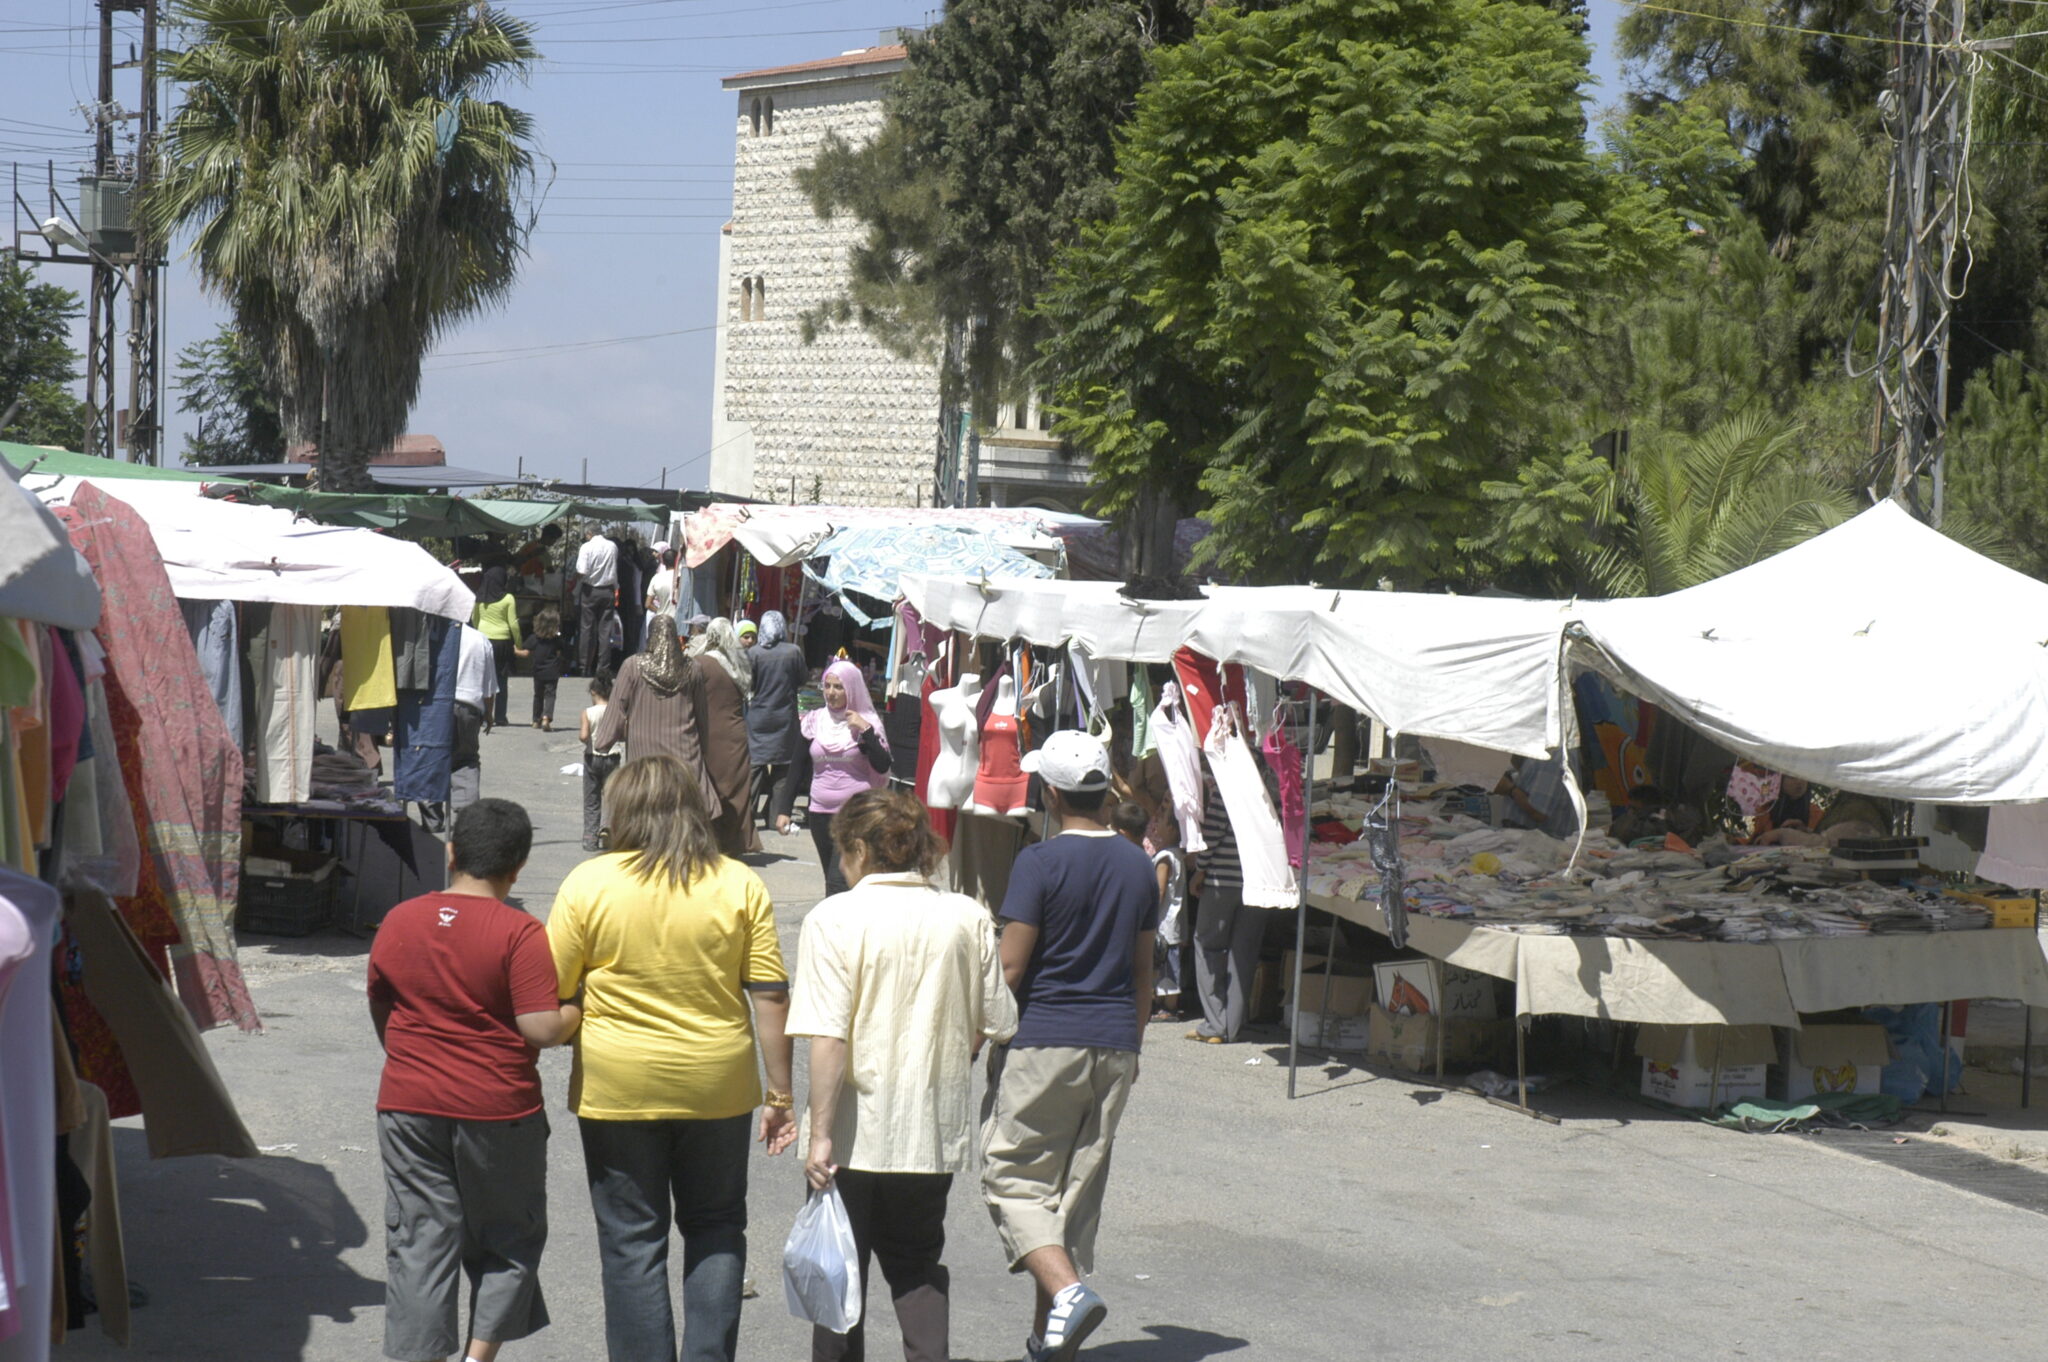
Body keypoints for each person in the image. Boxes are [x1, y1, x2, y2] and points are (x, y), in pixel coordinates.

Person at [546, 756, 797, 1362]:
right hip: (718, 1085)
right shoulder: (738, 882)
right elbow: (770, 995)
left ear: (621, 811)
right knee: (715, 1228)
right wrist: (781, 1096)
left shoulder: (590, 883)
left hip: (616, 1085)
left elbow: (551, 989)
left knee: (632, 1241)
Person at [787, 790, 1019, 1362]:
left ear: (860, 850)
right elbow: (997, 1019)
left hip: (849, 1130)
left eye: (844, 850)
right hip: (929, 1129)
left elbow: (829, 1035)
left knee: (840, 1270)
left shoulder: (834, 917)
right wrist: (950, 1051)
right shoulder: (966, 916)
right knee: (916, 1267)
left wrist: (818, 1135)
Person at [366, 798, 575, 1362]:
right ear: (519, 867)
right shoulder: (520, 932)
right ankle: (478, 1358)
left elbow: (383, 1009)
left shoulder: (400, 919)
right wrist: (576, 1012)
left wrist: (411, 1059)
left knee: (419, 1240)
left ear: (452, 852)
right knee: (508, 1239)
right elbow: (540, 1028)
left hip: (408, 1103)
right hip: (498, 1108)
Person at [983, 731, 1158, 1362]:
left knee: (1013, 1180)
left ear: (1050, 793)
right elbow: (1144, 974)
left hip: (1046, 1040)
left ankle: (1068, 1293)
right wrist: (1133, 1046)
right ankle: (1050, 1342)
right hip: (1114, 1044)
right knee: (1070, 1196)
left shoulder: (1039, 861)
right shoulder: (1139, 863)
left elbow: (1009, 969)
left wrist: (974, 1036)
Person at [590, 614, 721, 819]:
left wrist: (603, 741)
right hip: (685, 752)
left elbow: (617, 707)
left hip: (645, 751)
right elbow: (701, 715)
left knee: (647, 804)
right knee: (684, 808)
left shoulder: (633, 666)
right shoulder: (692, 669)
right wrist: (704, 748)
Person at [795, 659, 890, 897]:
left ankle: (834, 930)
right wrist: (783, 808)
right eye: (827, 686)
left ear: (852, 688)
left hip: (854, 814)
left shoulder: (865, 722)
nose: (831, 693)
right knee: (833, 877)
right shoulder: (815, 720)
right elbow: (798, 764)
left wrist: (866, 730)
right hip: (819, 812)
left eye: (838, 687)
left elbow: (883, 764)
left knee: (838, 881)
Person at [1187, 774, 1267, 1044]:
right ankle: (1231, 1026)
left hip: (1224, 878)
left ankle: (1215, 1023)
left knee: (1208, 946)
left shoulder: (1231, 781)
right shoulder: (1274, 786)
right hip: (1261, 881)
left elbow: (1213, 833)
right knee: (1243, 953)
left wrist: (1200, 870)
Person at [688, 618, 760, 857]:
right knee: (735, 791)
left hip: (711, 736)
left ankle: (710, 844)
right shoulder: (739, 664)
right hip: (736, 735)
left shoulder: (700, 663)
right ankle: (735, 845)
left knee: (711, 790)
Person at [1113, 802, 1185, 1022]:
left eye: (1162, 823)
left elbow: (1160, 889)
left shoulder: (1164, 858)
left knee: (1167, 966)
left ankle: (1169, 1007)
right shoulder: (1177, 854)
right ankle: (1163, 1003)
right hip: (1174, 922)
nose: (1156, 827)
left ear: (1172, 829)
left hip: (1165, 922)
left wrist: (1148, 907)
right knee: (1167, 963)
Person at [747, 611, 807, 834]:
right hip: (785, 717)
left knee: (754, 768)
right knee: (783, 768)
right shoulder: (793, 652)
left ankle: (748, 816)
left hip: (759, 717)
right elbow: (803, 678)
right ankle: (776, 817)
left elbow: (749, 684)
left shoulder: (753, 653)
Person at [451, 623, 498, 813]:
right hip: (469, 708)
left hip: (437, 706)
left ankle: (432, 817)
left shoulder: (434, 635)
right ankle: (466, 811)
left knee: (434, 757)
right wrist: (489, 714)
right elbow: (489, 686)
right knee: (465, 760)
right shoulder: (480, 639)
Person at [581, 672, 626, 853]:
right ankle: (608, 831)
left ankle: (590, 838)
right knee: (610, 796)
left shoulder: (588, 713)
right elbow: (623, 734)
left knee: (591, 798)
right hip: (613, 756)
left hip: (592, 757)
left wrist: (588, 741)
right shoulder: (616, 712)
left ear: (593, 692)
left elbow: (584, 736)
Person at [472, 564, 520, 732]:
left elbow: (475, 619)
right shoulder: (508, 598)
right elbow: (513, 624)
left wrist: (479, 635)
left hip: (483, 640)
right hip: (503, 642)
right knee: (501, 679)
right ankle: (500, 716)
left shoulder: (480, 597)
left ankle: (483, 713)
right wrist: (519, 643)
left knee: (482, 679)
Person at [1496, 752, 1576, 839]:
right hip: (1523, 837)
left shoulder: (1550, 760)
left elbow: (1539, 813)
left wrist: (1510, 789)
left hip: (1541, 843)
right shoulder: (1538, 754)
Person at [574, 527, 619, 677]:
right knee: (605, 631)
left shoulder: (586, 547)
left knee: (587, 628)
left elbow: (581, 570)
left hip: (590, 590)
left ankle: (583, 666)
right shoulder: (612, 546)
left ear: (589, 533)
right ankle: (603, 667)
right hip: (608, 590)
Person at [515, 607, 567, 732]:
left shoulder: (534, 638)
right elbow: (561, 652)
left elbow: (525, 654)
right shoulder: (557, 640)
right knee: (550, 695)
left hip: (538, 672)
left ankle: (535, 720)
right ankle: (546, 718)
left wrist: (515, 650)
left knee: (538, 695)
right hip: (552, 672)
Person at [646, 549, 679, 645]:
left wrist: (660, 611)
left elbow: (648, 604)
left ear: (663, 562)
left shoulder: (656, 578)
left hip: (661, 621)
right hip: (677, 623)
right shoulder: (681, 577)